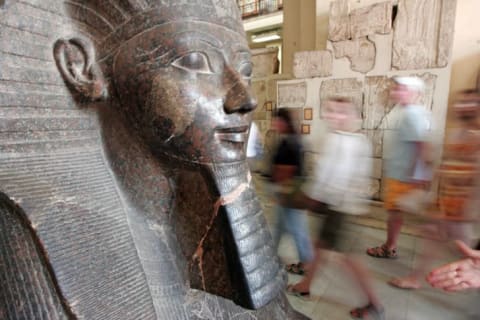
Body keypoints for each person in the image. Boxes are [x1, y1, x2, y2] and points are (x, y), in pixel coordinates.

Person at [286, 97, 383, 320]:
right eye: (330, 111)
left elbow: (328, 176)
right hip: (337, 206)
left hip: (342, 209)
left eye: (341, 112)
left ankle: (374, 304)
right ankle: (306, 284)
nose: (333, 116)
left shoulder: (341, 141)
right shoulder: (356, 140)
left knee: (350, 259)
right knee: (319, 247)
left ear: (354, 116)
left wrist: (308, 195)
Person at [388, 89, 480, 289]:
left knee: (466, 254)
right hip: (446, 205)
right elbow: (446, 167)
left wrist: (469, 210)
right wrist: (434, 196)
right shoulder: (456, 133)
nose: (463, 107)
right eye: (461, 102)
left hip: (463, 211)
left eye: (470, 103)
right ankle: (414, 279)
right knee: (433, 241)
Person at [367, 76, 431, 259]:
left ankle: (389, 247)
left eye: (401, 89)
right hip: (403, 174)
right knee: (395, 213)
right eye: (395, 88)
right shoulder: (413, 112)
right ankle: (390, 245)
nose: (395, 92)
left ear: (414, 92)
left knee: (395, 214)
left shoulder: (412, 114)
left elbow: (422, 145)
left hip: (404, 176)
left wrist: (417, 177)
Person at [271, 108, 314, 276]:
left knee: (298, 228)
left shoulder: (291, 142)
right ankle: (271, 253)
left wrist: (280, 190)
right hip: (287, 190)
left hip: (289, 191)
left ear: (284, 122)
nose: (274, 124)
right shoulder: (291, 139)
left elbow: (288, 169)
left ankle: (307, 263)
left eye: (277, 120)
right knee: (280, 226)